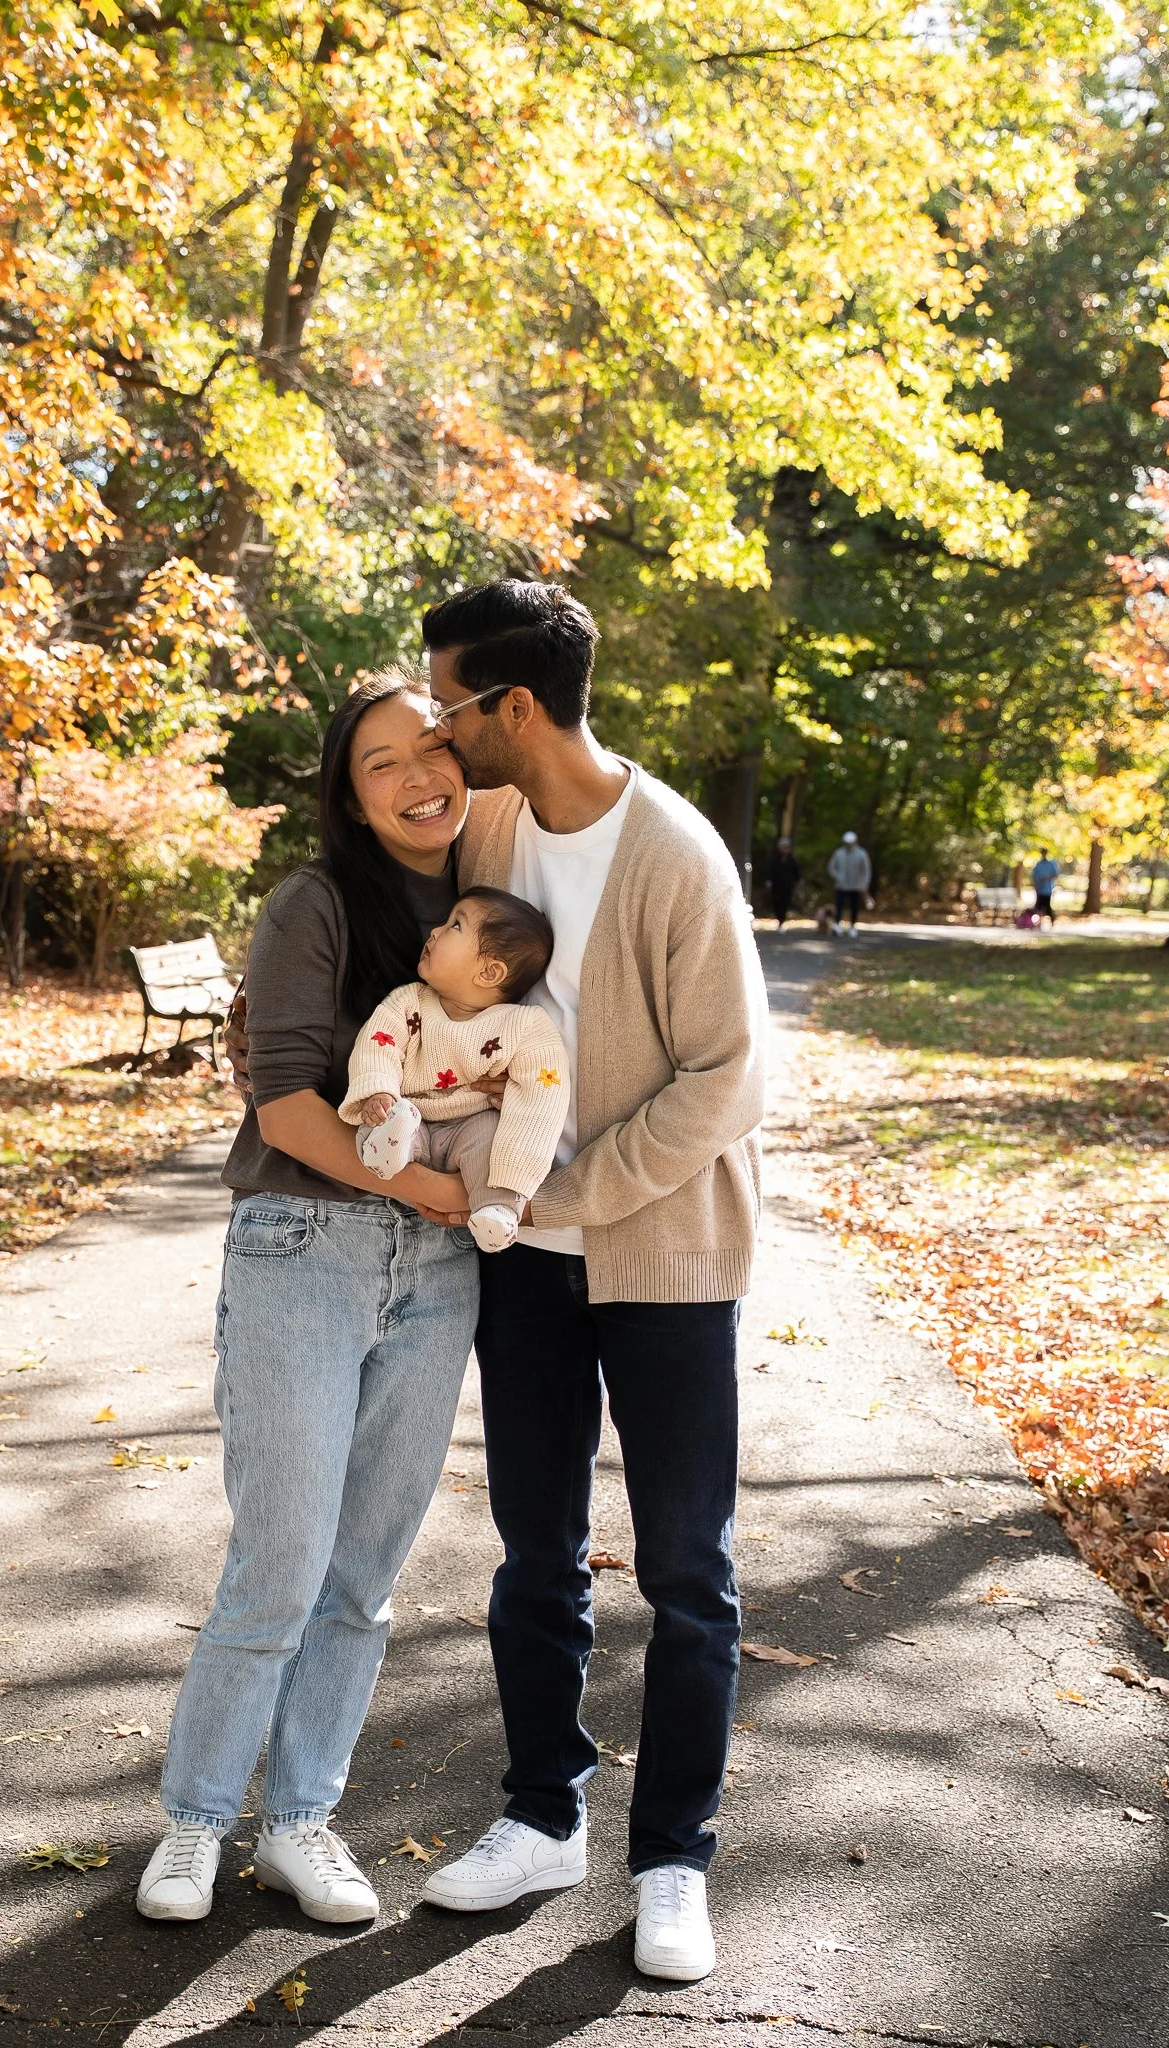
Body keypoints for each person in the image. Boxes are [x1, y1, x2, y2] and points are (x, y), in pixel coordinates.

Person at [414, 580, 767, 1984]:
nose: (439, 734)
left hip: (663, 1255)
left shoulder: (673, 852)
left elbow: (729, 1076)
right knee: (533, 1555)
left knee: (688, 1571)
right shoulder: (489, 827)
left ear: (513, 706)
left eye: (449, 705)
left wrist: (568, 1192)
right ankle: (540, 1814)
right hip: (522, 1267)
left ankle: (672, 1856)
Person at [136, 666, 482, 1927]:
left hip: (441, 1283)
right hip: (305, 1247)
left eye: (430, 749)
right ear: (349, 791)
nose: (414, 776)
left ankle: (299, 1821)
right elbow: (283, 1102)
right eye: (380, 761)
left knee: (366, 1570)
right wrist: (441, 1196)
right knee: (279, 1560)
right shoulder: (314, 903)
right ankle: (193, 1819)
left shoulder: (500, 917)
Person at [339, 886, 569, 1252]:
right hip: (414, 1119)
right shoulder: (408, 1001)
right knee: (386, 1120)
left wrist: (520, 1173)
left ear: (490, 971)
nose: (434, 931)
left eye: (455, 926)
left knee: (493, 1139)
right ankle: (387, 1147)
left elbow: (541, 1101)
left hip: (472, 1123)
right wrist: (377, 1092)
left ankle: (497, 1209)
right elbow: (377, 1045)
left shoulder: (524, 1026)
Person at [827, 830, 871, 934]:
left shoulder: (862, 853)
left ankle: (853, 926)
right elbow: (831, 867)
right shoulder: (839, 853)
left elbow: (866, 871)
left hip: (856, 886)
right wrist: (838, 877)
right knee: (839, 905)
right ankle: (837, 925)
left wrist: (864, 884)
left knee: (854, 906)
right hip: (841, 886)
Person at [765, 836, 800, 927]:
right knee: (776, 902)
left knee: (785, 902)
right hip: (776, 885)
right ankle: (778, 918)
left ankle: (782, 920)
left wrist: (796, 881)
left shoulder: (792, 860)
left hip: (788, 885)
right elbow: (770, 871)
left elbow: (796, 872)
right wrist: (769, 881)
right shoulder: (775, 859)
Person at [1031, 848, 1059, 922]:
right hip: (1039, 888)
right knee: (1038, 907)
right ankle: (1037, 922)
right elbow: (1033, 876)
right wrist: (1036, 884)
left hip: (1047, 889)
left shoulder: (1051, 864)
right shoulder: (1038, 864)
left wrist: (1047, 877)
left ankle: (1052, 920)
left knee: (1047, 906)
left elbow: (1055, 874)